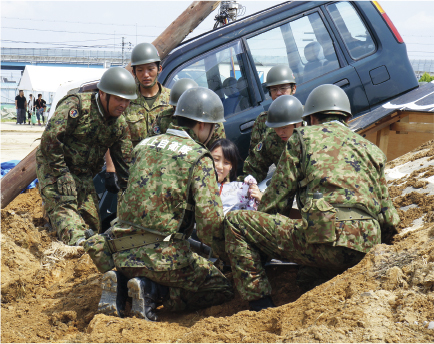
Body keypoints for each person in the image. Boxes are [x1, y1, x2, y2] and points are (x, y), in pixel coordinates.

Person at [224, 84, 400, 311]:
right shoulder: (371, 149)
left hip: (324, 239)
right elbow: (388, 216)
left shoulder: (302, 137)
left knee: (237, 223)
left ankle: (260, 306)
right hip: (366, 244)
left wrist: (260, 240)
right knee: (307, 276)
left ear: (312, 118)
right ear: (346, 117)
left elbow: (277, 201)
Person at [84, 87, 234, 321]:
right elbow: (210, 227)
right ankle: (153, 291)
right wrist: (229, 257)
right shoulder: (199, 157)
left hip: (121, 251)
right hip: (164, 259)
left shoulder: (143, 145)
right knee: (221, 288)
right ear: (203, 125)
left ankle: (122, 284)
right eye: (213, 127)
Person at [35, 67, 137, 246]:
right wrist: (61, 173)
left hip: (83, 175)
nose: (123, 105)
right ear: (104, 94)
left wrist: (134, 195)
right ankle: (71, 241)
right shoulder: (76, 107)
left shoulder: (119, 125)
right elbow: (50, 141)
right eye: (119, 99)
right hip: (54, 168)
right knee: (67, 215)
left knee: (92, 224)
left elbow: (126, 163)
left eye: (127, 101)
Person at [240, 65, 302, 182]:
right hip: (283, 183)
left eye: (283, 88)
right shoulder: (263, 121)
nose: (278, 93)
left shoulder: (307, 115)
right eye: (274, 89)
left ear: (293, 89)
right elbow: (256, 162)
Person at [149, 78, 226, 149]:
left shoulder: (211, 122)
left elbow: (218, 152)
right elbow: (152, 144)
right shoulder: (163, 118)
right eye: (177, 107)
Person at [210, 138, 262, 214]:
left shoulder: (240, 190)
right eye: (216, 159)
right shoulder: (195, 185)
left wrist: (260, 199)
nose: (220, 167)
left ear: (231, 166)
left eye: (226, 162)